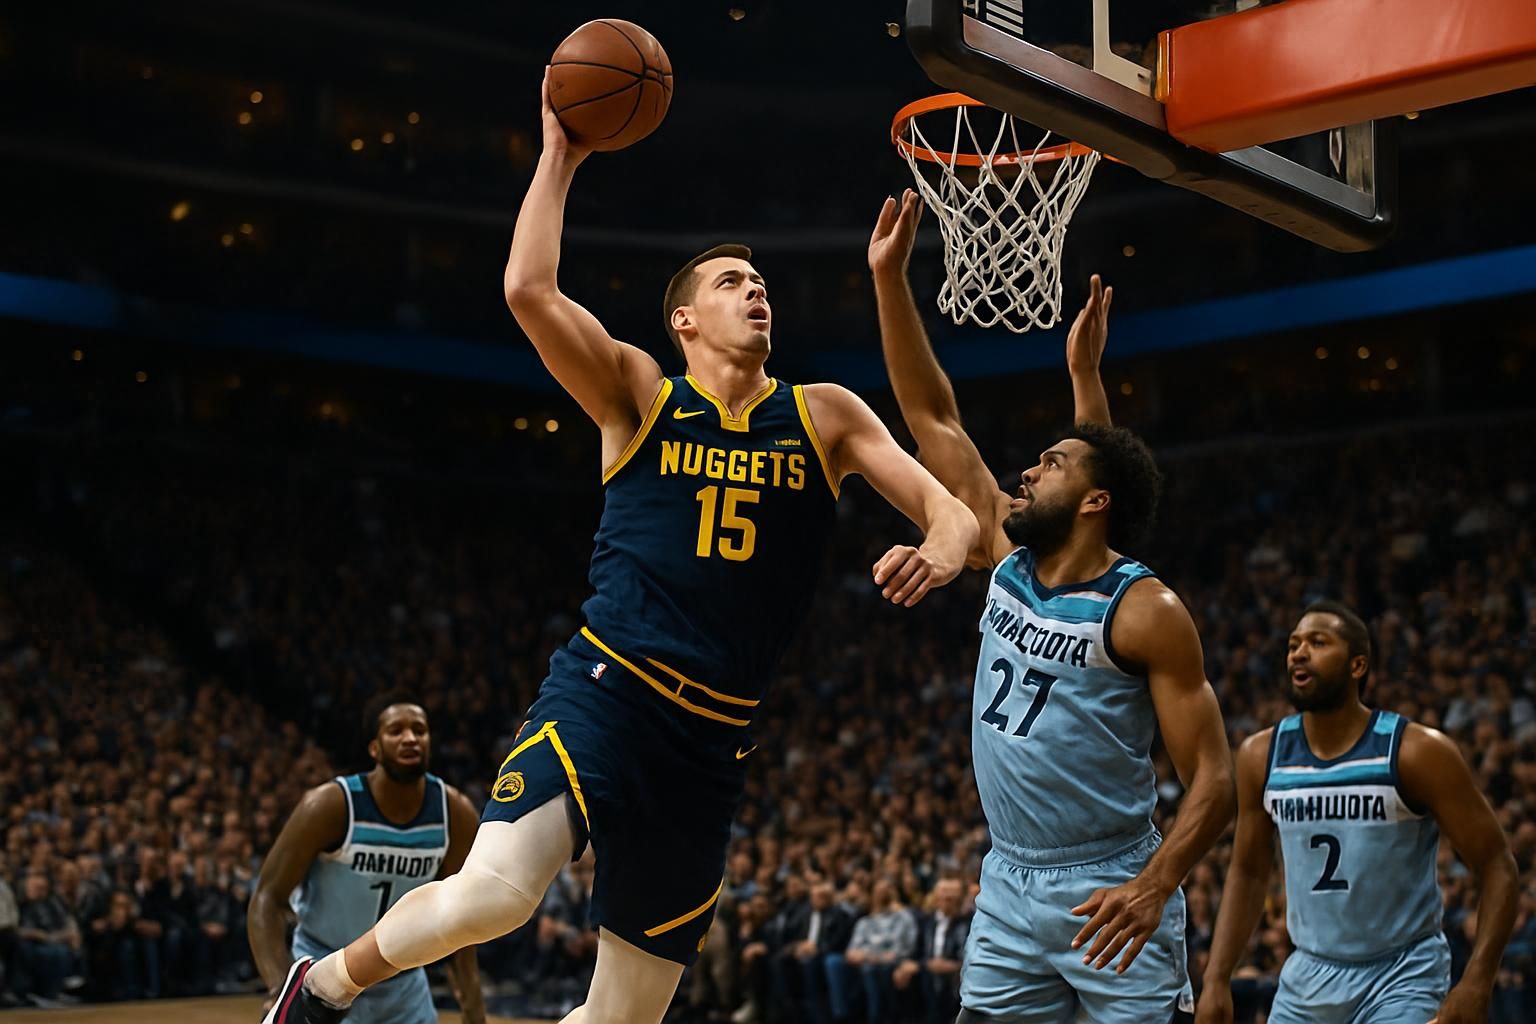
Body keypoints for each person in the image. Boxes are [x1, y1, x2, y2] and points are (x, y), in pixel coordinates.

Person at [262, 70, 977, 1024]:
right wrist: (559, 157)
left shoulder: (825, 414)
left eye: (762, 284)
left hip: (713, 737)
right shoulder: (641, 393)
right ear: (684, 319)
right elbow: (528, 289)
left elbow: (953, 511)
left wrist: (942, 546)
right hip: (609, 688)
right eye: (732, 283)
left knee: (624, 1018)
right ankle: (324, 985)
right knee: (495, 895)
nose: (756, 292)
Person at [870, 188, 1236, 1023]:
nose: (1027, 472)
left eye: (1050, 464)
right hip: (1009, 879)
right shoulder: (1007, 552)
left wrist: (1155, 887)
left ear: (1095, 502)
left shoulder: (1144, 611)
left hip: (1111, 883)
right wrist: (889, 280)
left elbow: (1215, 780)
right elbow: (932, 416)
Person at [1195, 601, 1519, 1024]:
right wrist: (1216, 978)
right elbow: (1248, 871)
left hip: (1401, 973)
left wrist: (1477, 981)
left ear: (1357, 665)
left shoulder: (1417, 752)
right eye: (1293, 644)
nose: (1299, 653)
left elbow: (1497, 865)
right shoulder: (1261, 755)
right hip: (1307, 975)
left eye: (1318, 642)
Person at [250, 693, 486, 1024]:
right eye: (396, 730)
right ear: (374, 748)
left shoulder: (454, 813)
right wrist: (280, 990)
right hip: (325, 976)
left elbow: (461, 917)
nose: (410, 738)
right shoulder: (330, 806)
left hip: (403, 985)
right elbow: (267, 898)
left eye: (419, 730)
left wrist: (473, 1007)